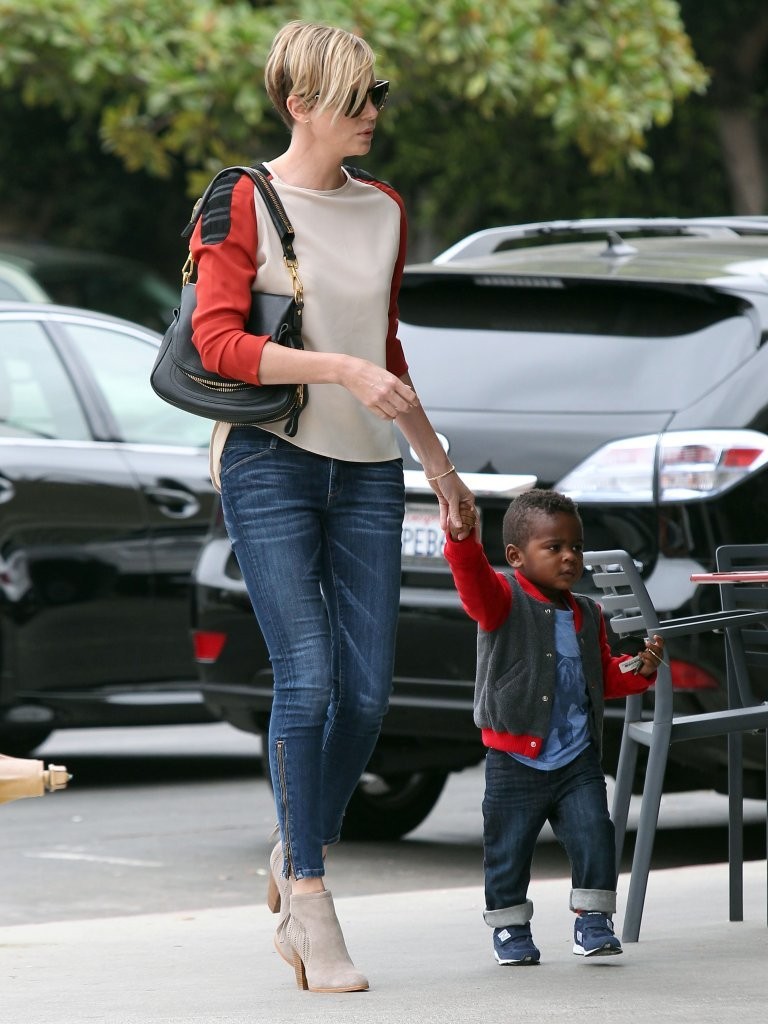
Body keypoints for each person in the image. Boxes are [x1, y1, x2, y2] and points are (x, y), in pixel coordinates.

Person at [189, 20, 475, 993]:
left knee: (367, 694)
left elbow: (385, 348)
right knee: (307, 681)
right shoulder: (242, 200)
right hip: (267, 461)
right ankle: (309, 897)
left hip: (366, 471)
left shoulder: (384, 208)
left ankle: (295, 840)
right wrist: (340, 369)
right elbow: (218, 343)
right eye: (355, 97)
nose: (372, 112)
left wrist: (439, 467)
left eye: (376, 94)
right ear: (299, 103)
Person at [443, 488, 663, 964]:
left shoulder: (588, 613)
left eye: (576, 547)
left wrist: (639, 669)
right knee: (507, 848)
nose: (569, 557)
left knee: (595, 833)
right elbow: (471, 579)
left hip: (576, 758)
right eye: (554, 547)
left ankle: (593, 921)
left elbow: (600, 677)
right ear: (516, 556)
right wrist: (462, 541)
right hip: (514, 759)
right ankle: (510, 928)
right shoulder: (503, 600)